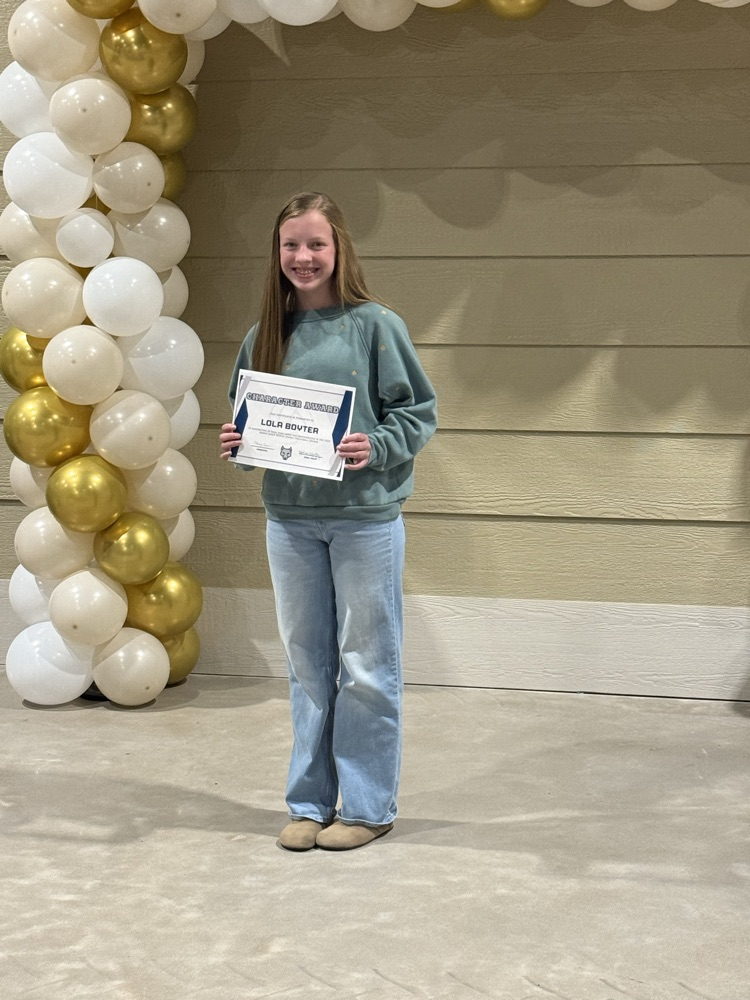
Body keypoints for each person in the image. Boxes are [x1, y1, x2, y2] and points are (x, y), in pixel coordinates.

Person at [219, 192, 437, 852]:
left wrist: (378, 445)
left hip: (364, 521)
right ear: (276, 253)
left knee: (367, 667)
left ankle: (368, 808)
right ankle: (310, 804)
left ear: (339, 248)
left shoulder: (377, 326)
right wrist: (237, 445)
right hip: (289, 522)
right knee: (309, 668)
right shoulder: (265, 335)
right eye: (291, 245)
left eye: (316, 244)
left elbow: (417, 413)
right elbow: (247, 422)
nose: (303, 257)